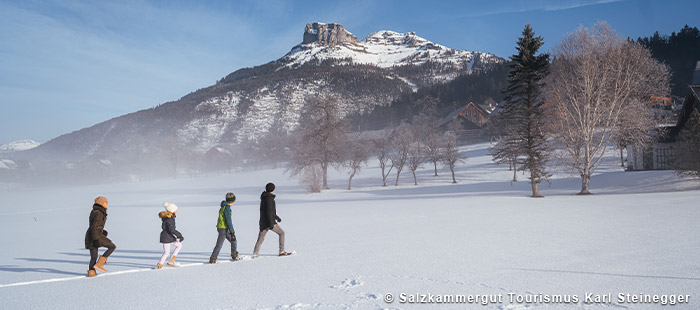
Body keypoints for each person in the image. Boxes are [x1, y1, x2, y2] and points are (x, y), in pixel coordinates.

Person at [253, 183, 291, 258]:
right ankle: (281, 251)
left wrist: (276, 217)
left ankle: (255, 253)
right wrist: (271, 223)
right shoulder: (269, 199)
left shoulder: (264, 197)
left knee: (261, 238)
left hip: (263, 222)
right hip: (269, 222)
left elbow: (269, 211)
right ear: (273, 190)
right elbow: (269, 212)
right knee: (282, 233)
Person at [84, 196, 117, 277]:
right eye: (106, 202)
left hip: (91, 235)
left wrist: (102, 231)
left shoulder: (95, 211)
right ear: (102, 203)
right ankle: (100, 264)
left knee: (94, 256)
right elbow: (95, 226)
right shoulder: (99, 213)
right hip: (95, 235)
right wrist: (96, 238)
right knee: (112, 246)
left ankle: (91, 272)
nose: (107, 204)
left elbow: (95, 226)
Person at [209, 192, 239, 263]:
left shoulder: (224, 206)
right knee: (219, 244)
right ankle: (213, 258)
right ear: (231, 201)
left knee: (233, 241)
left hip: (222, 228)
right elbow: (228, 221)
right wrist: (232, 232)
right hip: (223, 229)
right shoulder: (227, 208)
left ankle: (234, 255)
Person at [157, 202, 184, 269]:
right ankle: (160, 265)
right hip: (167, 237)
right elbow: (172, 230)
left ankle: (171, 260)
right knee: (166, 253)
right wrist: (179, 235)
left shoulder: (168, 217)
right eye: (176, 210)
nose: (177, 211)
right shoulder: (170, 219)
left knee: (179, 245)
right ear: (172, 211)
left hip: (168, 237)